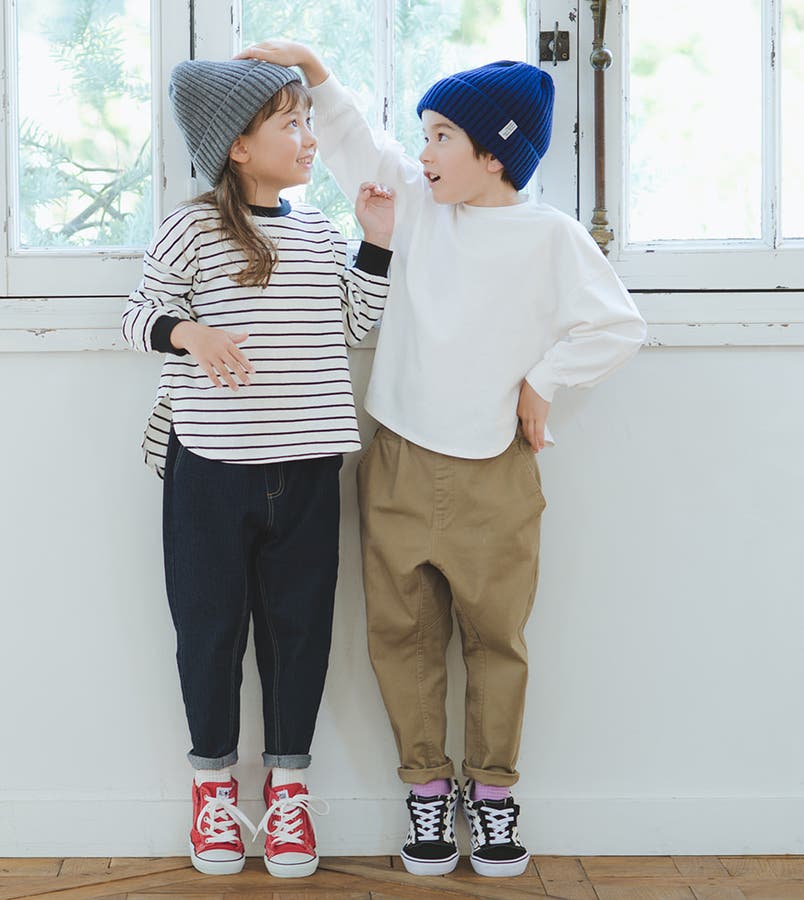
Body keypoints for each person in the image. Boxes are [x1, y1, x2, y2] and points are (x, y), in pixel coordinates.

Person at [235, 41, 646, 878]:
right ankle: (425, 788)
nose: (422, 153)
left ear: (495, 155)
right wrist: (315, 70)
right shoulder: (419, 207)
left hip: (495, 472)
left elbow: (616, 326)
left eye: (441, 137)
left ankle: (492, 795)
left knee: (496, 640)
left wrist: (542, 382)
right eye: (423, 135)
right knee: (403, 637)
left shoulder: (551, 237)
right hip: (398, 463)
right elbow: (356, 145)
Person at [121, 57, 394, 879]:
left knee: (299, 633)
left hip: (307, 467)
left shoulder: (318, 232)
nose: (309, 139)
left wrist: (376, 243)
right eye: (291, 124)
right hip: (210, 466)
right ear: (237, 146)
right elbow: (138, 313)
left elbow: (354, 323)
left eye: (308, 122)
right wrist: (190, 333)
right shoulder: (191, 228)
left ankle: (288, 795)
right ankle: (212, 791)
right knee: (209, 631)